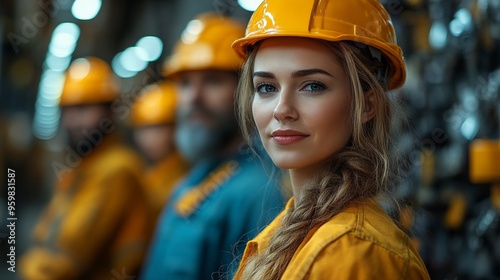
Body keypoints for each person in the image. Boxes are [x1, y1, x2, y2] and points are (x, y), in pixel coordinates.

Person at [231, 0, 431, 279]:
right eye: (266, 87)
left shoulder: (354, 251)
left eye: (312, 86)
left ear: (367, 105)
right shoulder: (291, 233)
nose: (281, 110)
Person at [140, 13, 285, 280]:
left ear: (246, 91)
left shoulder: (259, 194)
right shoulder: (193, 179)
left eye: (213, 81)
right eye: (185, 83)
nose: (194, 97)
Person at [20, 57, 152, 280]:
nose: (72, 121)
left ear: (111, 112)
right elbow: (45, 231)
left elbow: (69, 260)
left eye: (82, 108)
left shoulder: (118, 170)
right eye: (67, 110)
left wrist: (27, 267)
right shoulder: (82, 166)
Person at [130, 82, 190, 221]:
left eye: (159, 128)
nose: (149, 138)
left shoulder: (187, 177)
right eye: (143, 129)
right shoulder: (146, 173)